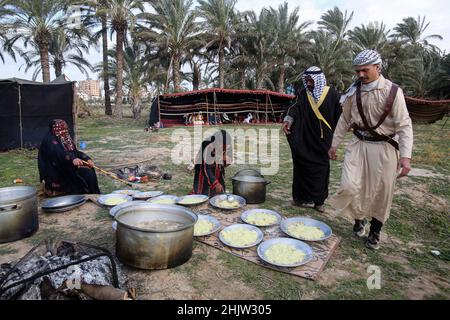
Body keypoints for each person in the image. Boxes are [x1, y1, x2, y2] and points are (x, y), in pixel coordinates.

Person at [328, 49, 413, 250]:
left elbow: (404, 124)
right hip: (357, 145)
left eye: (364, 70)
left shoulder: (393, 91)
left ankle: (375, 230)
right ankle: (358, 218)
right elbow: (344, 119)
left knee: (382, 192)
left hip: (384, 149)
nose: (360, 75)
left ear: (377, 67)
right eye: (357, 71)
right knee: (349, 185)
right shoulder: (352, 91)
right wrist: (334, 144)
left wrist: (406, 156)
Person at [283, 66, 342, 212]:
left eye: (311, 81)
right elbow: (294, 107)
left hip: (323, 140)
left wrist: (336, 139)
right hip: (304, 137)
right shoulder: (303, 94)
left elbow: (340, 117)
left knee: (321, 170)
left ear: (319, 80)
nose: (308, 84)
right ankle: (300, 198)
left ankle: (319, 202)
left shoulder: (333, 95)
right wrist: (288, 120)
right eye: (307, 81)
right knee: (301, 167)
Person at [38, 119, 100, 196]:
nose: (65, 131)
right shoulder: (50, 140)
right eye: (62, 129)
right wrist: (72, 159)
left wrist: (87, 158)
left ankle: (93, 192)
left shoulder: (65, 138)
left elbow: (75, 151)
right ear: (55, 129)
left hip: (67, 163)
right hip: (55, 170)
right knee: (82, 172)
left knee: (89, 168)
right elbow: (59, 154)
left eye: (65, 129)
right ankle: (78, 190)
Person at [191, 130, 233, 196]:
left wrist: (225, 158)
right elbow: (205, 168)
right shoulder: (207, 145)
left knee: (219, 193)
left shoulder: (227, 145)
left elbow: (229, 160)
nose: (223, 148)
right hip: (203, 167)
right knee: (201, 192)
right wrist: (215, 183)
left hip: (217, 166)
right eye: (220, 145)